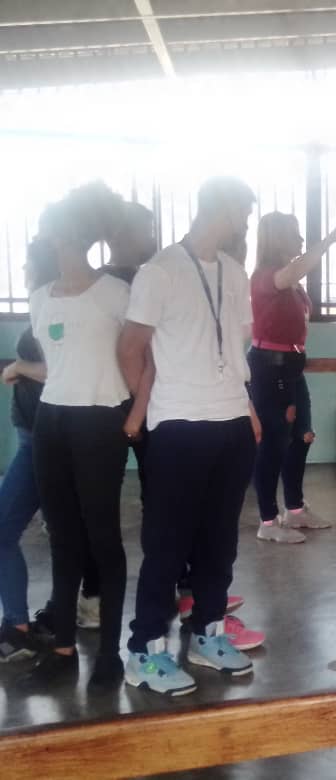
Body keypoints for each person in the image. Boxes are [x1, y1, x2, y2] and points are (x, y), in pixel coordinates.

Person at [119, 177, 259, 695]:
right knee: (167, 544)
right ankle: (144, 650)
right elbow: (131, 348)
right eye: (242, 213)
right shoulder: (160, 271)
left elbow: (234, 351)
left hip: (231, 424)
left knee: (220, 542)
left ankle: (208, 634)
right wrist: (149, 405)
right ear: (220, 209)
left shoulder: (235, 272)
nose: (245, 224)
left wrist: (247, 410)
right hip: (178, 426)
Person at [22, 183, 132, 689]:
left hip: (100, 420)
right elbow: (58, 366)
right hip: (51, 421)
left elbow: (140, 357)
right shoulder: (40, 298)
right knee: (63, 537)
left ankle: (109, 651)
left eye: (52, 231)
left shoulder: (115, 293)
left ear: (69, 237)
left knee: (102, 536)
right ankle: (64, 646)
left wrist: (136, 415)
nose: (46, 239)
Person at [250, 210, 336, 543]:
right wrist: (330, 239)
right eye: (294, 233)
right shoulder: (266, 276)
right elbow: (297, 269)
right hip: (270, 368)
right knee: (273, 443)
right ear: (278, 239)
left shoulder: (291, 283)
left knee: (302, 436)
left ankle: (294, 510)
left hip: (292, 367)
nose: (300, 239)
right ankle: (268, 521)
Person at [0, 239, 59, 663]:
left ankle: (18, 628)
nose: (22, 271)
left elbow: (58, 369)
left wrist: (18, 368)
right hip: (34, 436)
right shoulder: (46, 304)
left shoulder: (54, 306)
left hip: (42, 440)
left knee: (2, 531)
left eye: (26, 264)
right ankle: (24, 624)